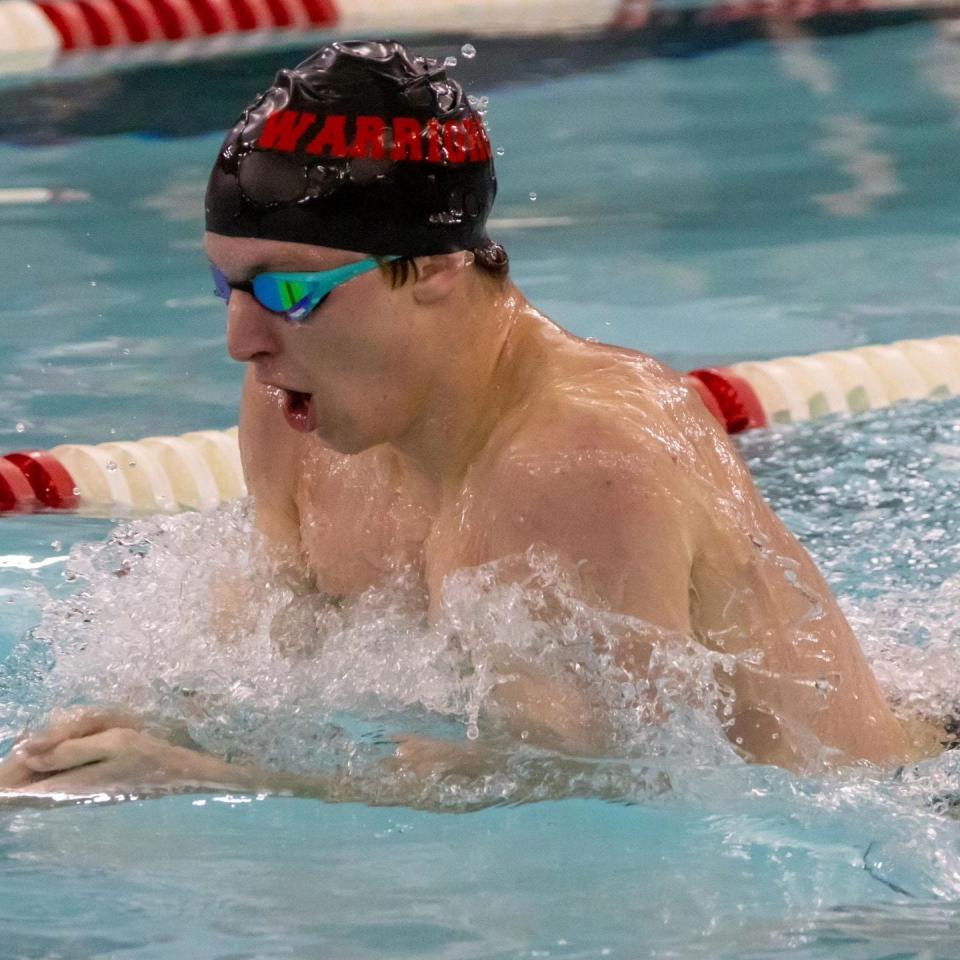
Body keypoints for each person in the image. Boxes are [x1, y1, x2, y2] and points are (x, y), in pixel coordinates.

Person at [0, 41, 943, 802]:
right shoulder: (295, 418)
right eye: (227, 286)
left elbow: (597, 792)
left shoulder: (578, 462)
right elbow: (279, 657)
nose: (242, 340)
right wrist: (137, 731)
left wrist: (220, 784)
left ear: (439, 265)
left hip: (899, 803)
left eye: (289, 289)